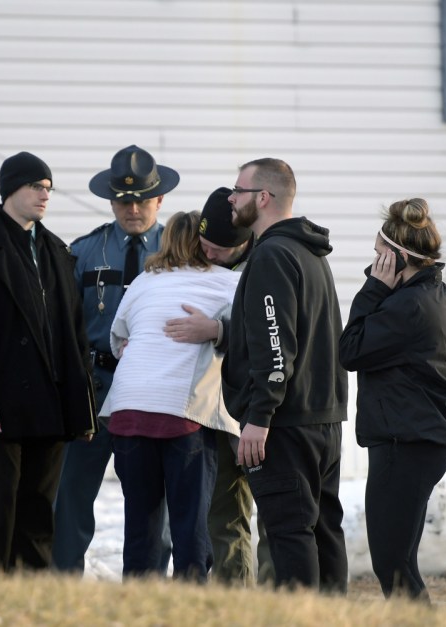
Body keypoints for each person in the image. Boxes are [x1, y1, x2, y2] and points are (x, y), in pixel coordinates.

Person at [0, 151, 97, 574]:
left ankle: (29, 596)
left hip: (49, 406)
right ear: (11, 188)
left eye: (48, 188)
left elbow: (73, 336)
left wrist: (81, 408)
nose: (44, 195)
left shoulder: (56, 251)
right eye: (35, 186)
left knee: (38, 509)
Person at [221, 158, 349, 593]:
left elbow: (276, 345)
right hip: (322, 420)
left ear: (263, 197)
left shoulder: (274, 255)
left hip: (286, 426)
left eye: (237, 190)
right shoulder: (308, 252)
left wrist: (259, 418)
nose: (230, 198)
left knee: (291, 536)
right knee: (323, 533)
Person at [52, 145, 179, 574]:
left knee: (149, 501)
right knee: (70, 493)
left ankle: (143, 590)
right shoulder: (87, 252)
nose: (133, 208)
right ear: (111, 201)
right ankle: (60, 585)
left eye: (142, 199)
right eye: (124, 200)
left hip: (153, 390)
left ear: (160, 199)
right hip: (94, 388)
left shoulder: (179, 252)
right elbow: (63, 324)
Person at [100, 210, 240, 582]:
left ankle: (139, 601)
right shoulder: (229, 282)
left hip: (127, 410)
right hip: (182, 413)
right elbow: (250, 330)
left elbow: (118, 340)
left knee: (140, 520)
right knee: (189, 519)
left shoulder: (144, 282)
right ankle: (189, 601)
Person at [339, 199, 446, 601]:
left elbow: (350, 350)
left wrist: (373, 289)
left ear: (396, 258)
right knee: (400, 562)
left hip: (405, 444)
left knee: (392, 565)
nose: (373, 264)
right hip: (415, 440)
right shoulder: (431, 293)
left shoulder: (407, 306)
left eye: (379, 256)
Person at [163, 187, 273, 587]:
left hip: (263, 410)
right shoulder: (207, 265)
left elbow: (274, 336)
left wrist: (218, 330)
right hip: (217, 409)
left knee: (273, 513)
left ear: (243, 243)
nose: (207, 256)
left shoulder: (266, 264)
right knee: (224, 513)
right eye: (203, 245)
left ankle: (279, 602)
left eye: (217, 250)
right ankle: (232, 598)